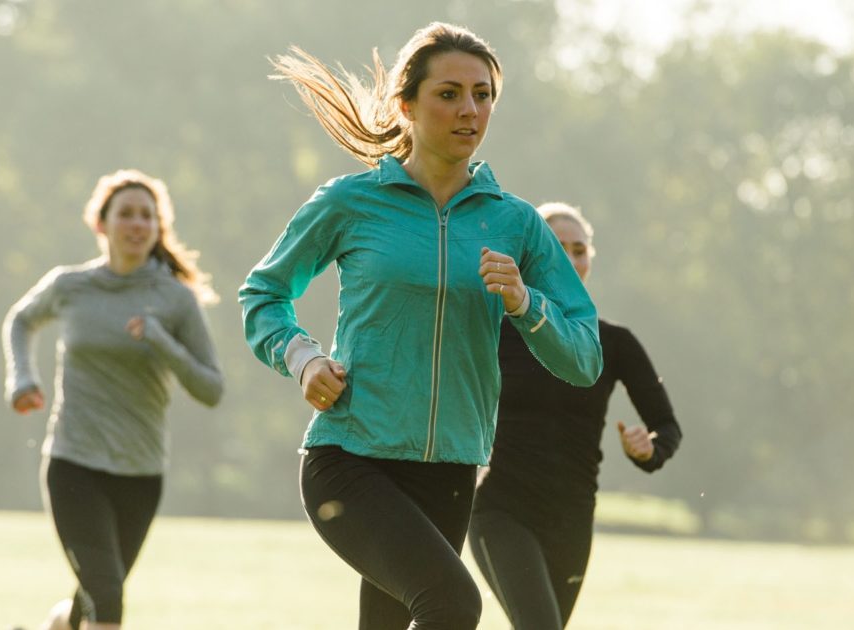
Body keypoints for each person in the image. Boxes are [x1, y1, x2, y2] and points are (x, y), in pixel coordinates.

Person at [238, 23, 603, 629]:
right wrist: (302, 358)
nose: (470, 110)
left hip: (452, 468)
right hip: (350, 457)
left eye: (483, 95)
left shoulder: (514, 223)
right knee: (453, 604)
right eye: (450, 93)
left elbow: (585, 358)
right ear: (406, 105)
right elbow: (264, 293)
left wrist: (524, 302)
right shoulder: (350, 203)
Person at [1, 169, 224, 630]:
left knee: (93, 596)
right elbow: (21, 320)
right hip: (74, 464)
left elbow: (211, 389)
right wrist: (22, 377)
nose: (137, 224)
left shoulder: (175, 300)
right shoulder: (70, 286)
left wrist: (162, 341)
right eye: (126, 214)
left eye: (147, 215)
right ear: (100, 224)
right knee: (108, 594)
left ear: (158, 228)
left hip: (141, 474)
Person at [468, 202, 684, 629]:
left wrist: (648, 450)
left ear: (589, 259)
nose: (570, 258)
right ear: (534, 256)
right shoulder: (496, 329)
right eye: (557, 247)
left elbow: (667, 427)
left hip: (572, 518)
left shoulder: (615, 342)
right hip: (501, 510)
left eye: (579, 249)